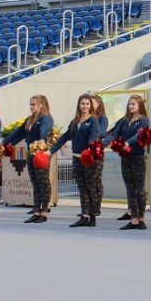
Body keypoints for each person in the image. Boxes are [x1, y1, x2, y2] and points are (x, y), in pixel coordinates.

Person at [49, 94, 101, 227]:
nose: (85, 106)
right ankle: (84, 216)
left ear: (90, 106)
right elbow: (65, 137)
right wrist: (51, 150)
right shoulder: (75, 121)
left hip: (88, 158)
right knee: (82, 187)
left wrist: (89, 150)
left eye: (87, 104)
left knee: (91, 186)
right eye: (82, 103)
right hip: (76, 158)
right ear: (79, 105)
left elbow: (93, 137)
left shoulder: (93, 120)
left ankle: (93, 216)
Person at [2, 95, 54, 223]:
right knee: (35, 182)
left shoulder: (46, 118)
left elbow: (44, 131)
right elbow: (18, 133)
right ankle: (36, 211)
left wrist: (42, 140)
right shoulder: (30, 119)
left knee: (43, 182)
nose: (31, 107)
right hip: (30, 152)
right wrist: (3, 143)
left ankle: (44, 211)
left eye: (34, 104)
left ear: (41, 105)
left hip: (40, 153)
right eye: (30, 104)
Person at [103, 94, 151, 230]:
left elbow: (139, 135)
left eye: (133, 104)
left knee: (139, 189)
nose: (131, 106)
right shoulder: (124, 121)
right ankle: (134, 219)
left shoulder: (143, 121)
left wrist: (127, 142)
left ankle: (141, 219)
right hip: (125, 158)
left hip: (138, 157)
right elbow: (114, 133)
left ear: (140, 106)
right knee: (130, 189)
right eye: (129, 104)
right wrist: (101, 144)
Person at [90, 94, 108, 218]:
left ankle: (96, 206)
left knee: (96, 179)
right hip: (86, 151)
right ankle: (88, 207)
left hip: (97, 151)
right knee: (88, 180)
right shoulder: (86, 117)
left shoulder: (102, 118)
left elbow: (101, 133)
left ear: (99, 104)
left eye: (92, 103)